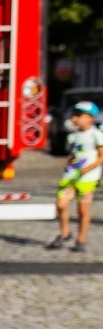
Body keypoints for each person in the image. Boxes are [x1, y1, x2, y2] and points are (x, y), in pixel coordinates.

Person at [50, 100, 103, 252]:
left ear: (91, 118)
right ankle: (64, 232)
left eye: (79, 115)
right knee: (61, 204)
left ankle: (81, 239)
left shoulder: (96, 135)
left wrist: (89, 168)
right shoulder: (72, 136)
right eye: (74, 115)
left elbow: (101, 157)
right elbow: (72, 154)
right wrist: (70, 162)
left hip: (87, 179)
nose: (74, 118)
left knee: (82, 209)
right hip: (71, 175)